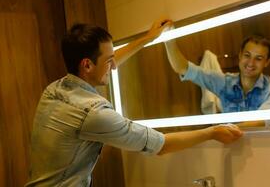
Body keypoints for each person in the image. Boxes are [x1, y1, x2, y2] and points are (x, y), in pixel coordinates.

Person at [25, 18, 242, 186]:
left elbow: (108, 61)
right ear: (87, 65)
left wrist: (148, 38)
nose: (115, 66)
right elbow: (161, 145)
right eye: (109, 61)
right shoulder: (93, 113)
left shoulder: (55, 89)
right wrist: (212, 132)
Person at [164, 30, 270, 127]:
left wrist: (212, 132)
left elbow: (260, 122)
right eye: (247, 55)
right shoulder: (224, 82)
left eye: (258, 58)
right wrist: (169, 41)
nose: (251, 63)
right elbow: (183, 68)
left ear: (267, 62)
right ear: (240, 55)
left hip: (264, 153)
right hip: (229, 151)